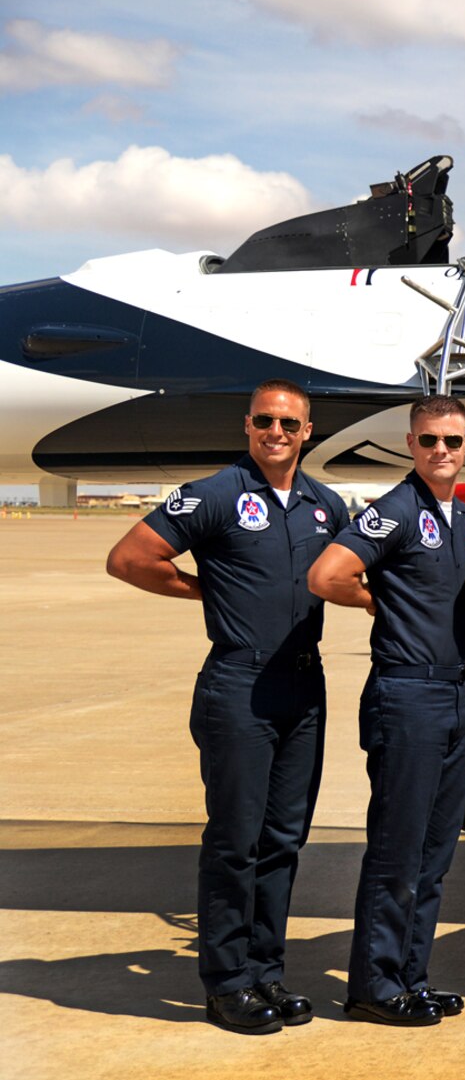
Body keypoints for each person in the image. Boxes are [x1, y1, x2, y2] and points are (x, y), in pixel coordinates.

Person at [106, 379, 350, 1034]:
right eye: (266, 420)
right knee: (235, 842)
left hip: (303, 688)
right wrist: (204, 593)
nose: (277, 432)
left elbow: (365, 568)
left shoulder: (326, 504)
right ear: (248, 425)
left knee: (282, 841)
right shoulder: (214, 495)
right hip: (239, 686)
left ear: (307, 432)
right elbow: (130, 557)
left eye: (290, 423)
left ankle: (265, 970)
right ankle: (226, 983)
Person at [309, 395, 465, 1027]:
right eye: (430, 440)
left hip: (457, 693)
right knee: (396, 850)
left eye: (454, 441)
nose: (443, 451)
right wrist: (375, 604)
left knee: (436, 852)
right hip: (408, 694)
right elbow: (327, 574)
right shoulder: (394, 511)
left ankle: (411, 976)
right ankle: (374, 986)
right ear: (411, 444)